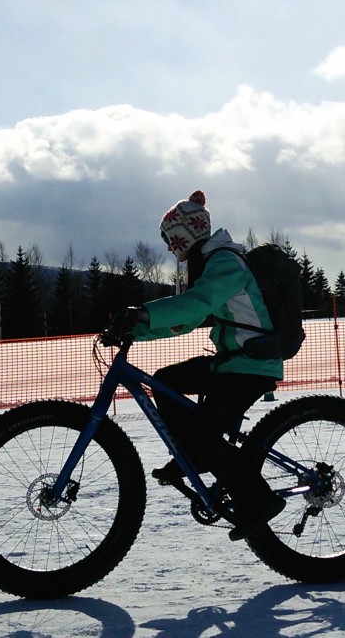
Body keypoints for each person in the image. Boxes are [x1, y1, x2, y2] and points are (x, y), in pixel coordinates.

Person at [116, 189, 286, 542]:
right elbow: (188, 319)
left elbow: (195, 305)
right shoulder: (210, 263)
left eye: (170, 239)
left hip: (251, 364)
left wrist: (145, 312)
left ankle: (259, 501)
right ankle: (194, 455)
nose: (168, 248)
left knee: (208, 438)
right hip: (232, 362)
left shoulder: (224, 262)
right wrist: (136, 327)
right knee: (166, 380)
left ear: (185, 234)